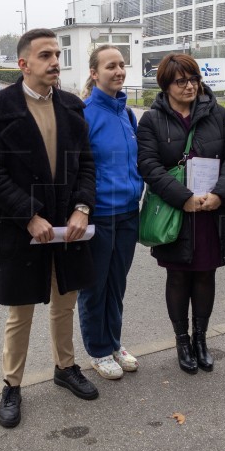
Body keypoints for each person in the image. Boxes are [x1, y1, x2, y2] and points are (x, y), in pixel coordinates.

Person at [0, 28, 98, 429]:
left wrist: (82, 208)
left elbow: (85, 164)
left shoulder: (71, 107)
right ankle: (12, 384)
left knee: (65, 300)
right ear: (23, 64)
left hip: (68, 225)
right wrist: (28, 214)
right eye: (45, 55)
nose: (55, 62)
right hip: (19, 227)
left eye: (57, 54)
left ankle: (65, 367)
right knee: (21, 309)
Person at [136, 53, 225, 375]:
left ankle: (201, 339)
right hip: (176, 211)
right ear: (166, 85)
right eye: (180, 81)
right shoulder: (152, 120)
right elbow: (149, 165)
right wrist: (182, 198)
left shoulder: (218, 114)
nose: (189, 86)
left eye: (193, 79)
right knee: (178, 275)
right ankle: (182, 341)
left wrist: (220, 194)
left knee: (205, 274)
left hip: (211, 211)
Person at [77, 45, 144, 379]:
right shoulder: (85, 113)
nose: (118, 71)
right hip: (99, 215)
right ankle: (98, 349)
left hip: (129, 213)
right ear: (94, 73)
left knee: (117, 284)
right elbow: (78, 168)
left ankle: (114, 343)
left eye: (121, 65)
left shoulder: (126, 113)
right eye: (110, 66)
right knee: (94, 287)